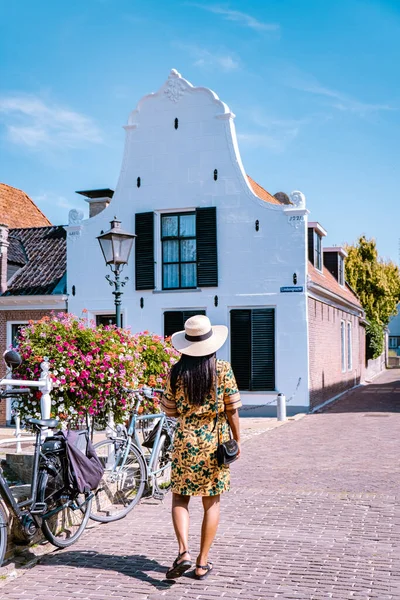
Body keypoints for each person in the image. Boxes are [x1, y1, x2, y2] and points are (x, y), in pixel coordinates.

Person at [161, 314, 242, 581]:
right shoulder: (222, 369)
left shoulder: (175, 372)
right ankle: (201, 562)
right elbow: (232, 410)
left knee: (180, 497)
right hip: (213, 441)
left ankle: (183, 551)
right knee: (212, 501)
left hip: (185, 440)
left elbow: (169, 411)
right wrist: (237, 440)